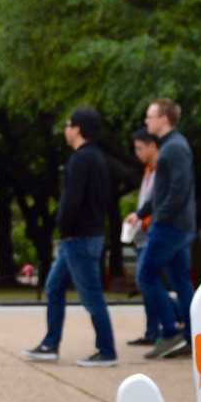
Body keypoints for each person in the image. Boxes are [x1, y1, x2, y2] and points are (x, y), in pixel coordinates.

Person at [23, 106, 118, 367]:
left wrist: (61, 223)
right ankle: (50, 344)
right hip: (82, 238)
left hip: (79, 238)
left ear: (77, 129)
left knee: (91, 296)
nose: (65, 129)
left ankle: (107, 350)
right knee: (53, 288)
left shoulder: (80, 159)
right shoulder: (98, 158)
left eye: (68, 125)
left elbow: (72, 200)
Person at [139, 98, 196, 358]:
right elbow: (164, 190)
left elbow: (178, 190)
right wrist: (142, 212)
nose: (146, 121)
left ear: (164, 119)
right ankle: (193, 335)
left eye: (150, 116)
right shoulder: (172, 146)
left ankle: (171, 332)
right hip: (176, 225)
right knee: (181, 281)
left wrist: (159, 217)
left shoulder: (175, 148)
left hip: (170, 227)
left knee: (146, 276)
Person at [122, 125, 166, 346]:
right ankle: (152, 331)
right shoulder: (148, 170)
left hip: (152, 233)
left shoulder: (161, 169)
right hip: (142, 234)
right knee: (146, 282)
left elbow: (158, 204)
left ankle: (170, 322)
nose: (137, 153)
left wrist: (144, 220)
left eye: (140, 148)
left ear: (152, 146)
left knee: (147, 280)